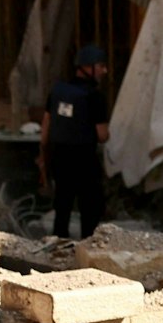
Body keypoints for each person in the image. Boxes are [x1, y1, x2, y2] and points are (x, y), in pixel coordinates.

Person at [40, 44, 111, 240]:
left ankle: (58, 246)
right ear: (88, 67)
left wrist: (43, 155)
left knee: (62, 205)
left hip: (59, 157)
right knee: (91, 207)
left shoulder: (58, 90)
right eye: (101, 66)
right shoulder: (95, 97)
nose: (104, 71)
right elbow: (102, 135)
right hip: (83, 159)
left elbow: (46, 123)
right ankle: (88, 249)